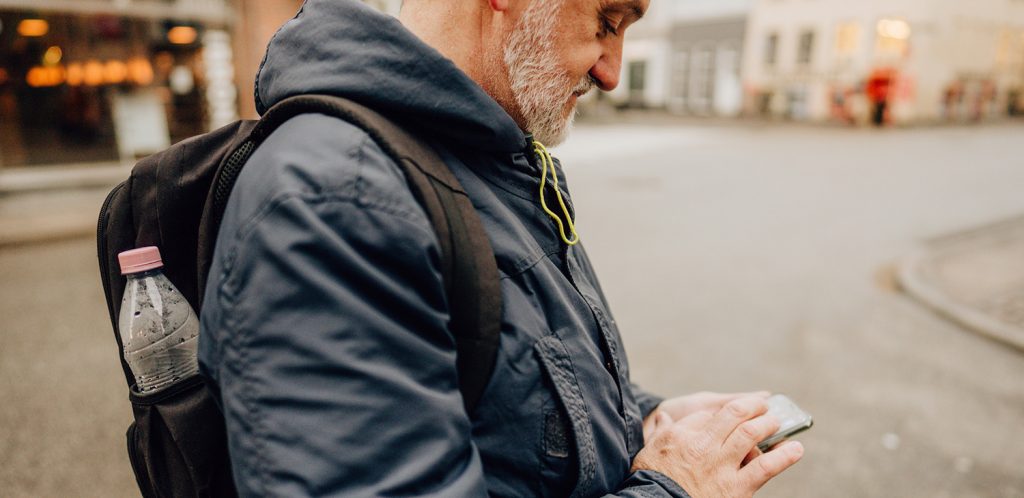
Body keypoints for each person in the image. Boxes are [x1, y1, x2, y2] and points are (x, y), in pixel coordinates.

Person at [197, 0, 804, 496]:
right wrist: (677, 488)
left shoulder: (487, 156)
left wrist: (642, 418)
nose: (611, 72)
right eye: (607, 22)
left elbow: (516, 391)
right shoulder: (338, 199)